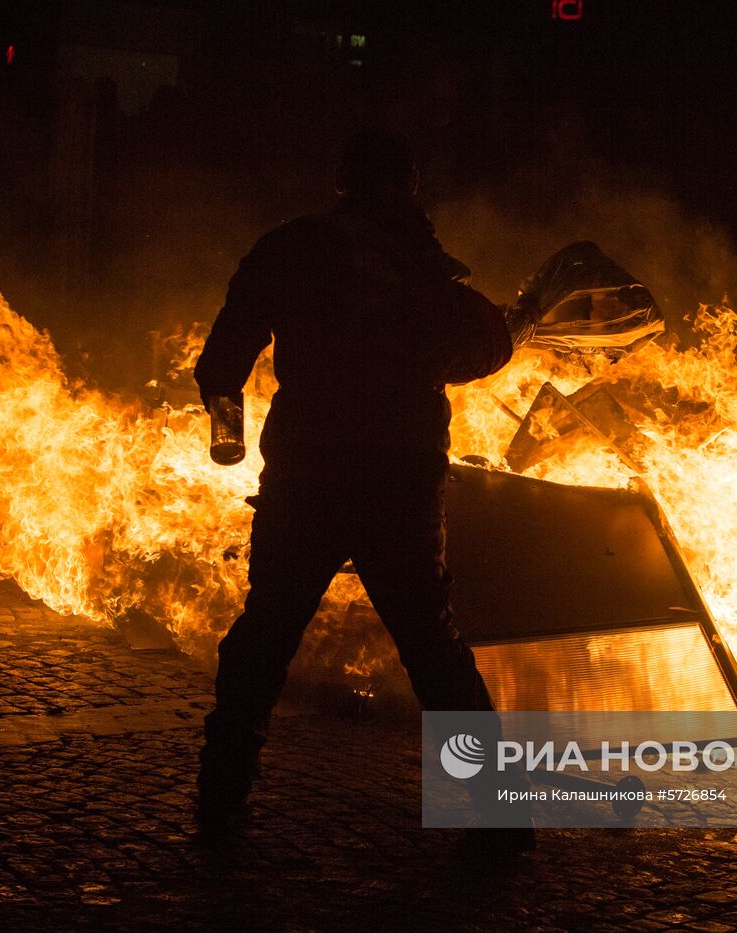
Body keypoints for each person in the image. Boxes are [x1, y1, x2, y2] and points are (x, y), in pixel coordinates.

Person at [192, 127, 538, 848]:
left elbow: (224, 358)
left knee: (266, 631)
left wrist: (227, 435)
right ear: (409, 184)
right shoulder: (424, 265)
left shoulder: (292, 246)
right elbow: (472, 354)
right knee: (432, 648)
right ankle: (499, 817)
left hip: (308, 472)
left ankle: (220, 798)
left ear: (340, 178)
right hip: (399, 478)